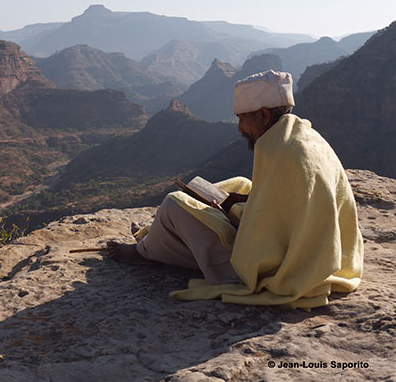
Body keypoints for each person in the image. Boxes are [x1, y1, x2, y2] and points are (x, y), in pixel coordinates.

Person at [106, 70, 364, 308]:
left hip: (279, 267)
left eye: (243, 119)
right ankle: (156, 236)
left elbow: (266, 235)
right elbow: (285, 210)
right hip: (321, 252)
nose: (240, 128)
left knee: (174, 203)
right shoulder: (302, 136)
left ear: (264, 115)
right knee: (241, 184)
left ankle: (146, 251)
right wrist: (240, 201)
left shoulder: (280, 150)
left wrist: (233, 210)